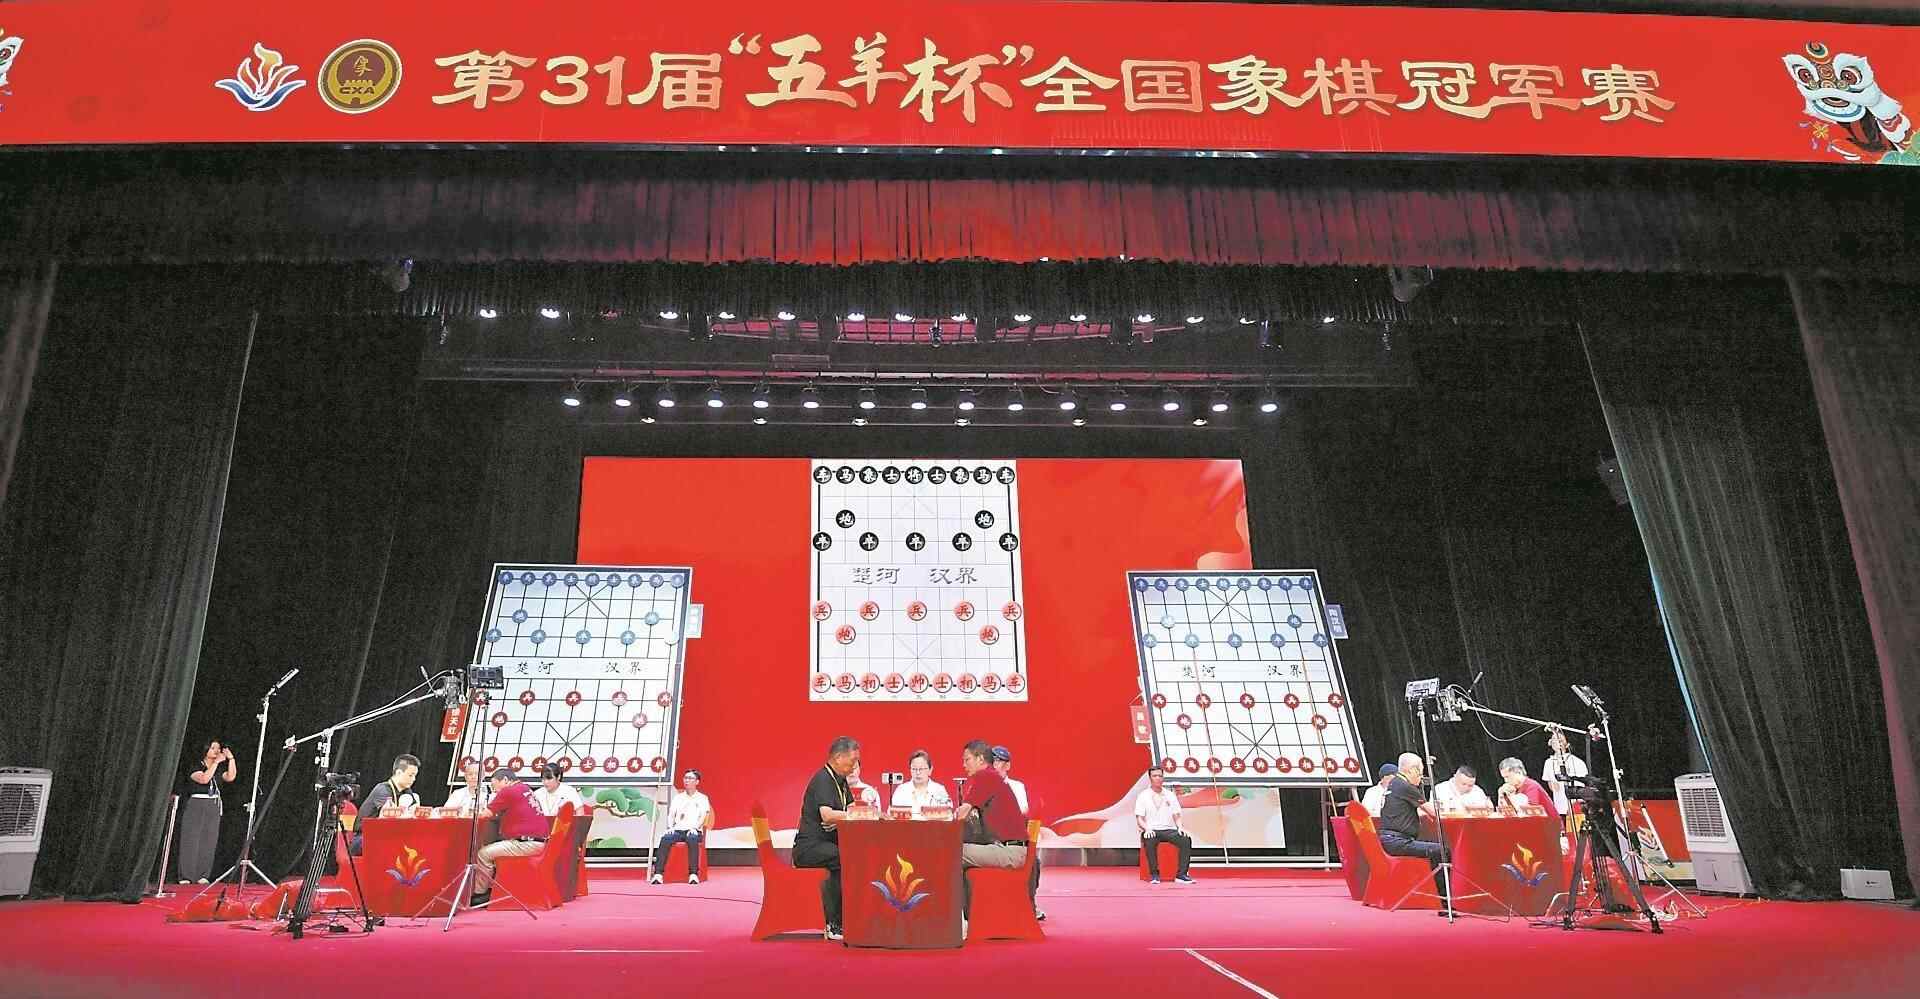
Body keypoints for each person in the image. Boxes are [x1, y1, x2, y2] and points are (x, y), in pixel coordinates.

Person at [793, 736, 860, 942]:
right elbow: (827, 815)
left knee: (853, 854)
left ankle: (851, 917)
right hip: (809, 848)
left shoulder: (841, 781)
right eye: (853, 760)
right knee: (843, 857)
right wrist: (843, 817)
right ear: (838, 757)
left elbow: (852, 808)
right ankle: (834, 923)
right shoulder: (823, 779)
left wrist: (846, 816)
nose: (855, 765)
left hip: (827, 843)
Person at [955, 740, 1029, 917]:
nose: (964, 765)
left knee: (953, 853)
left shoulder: (986, 777)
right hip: (1008, 847)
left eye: (967, 760)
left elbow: (962, 814)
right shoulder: (991, 777)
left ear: (980, 759)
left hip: (1010, 851)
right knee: (958, 849)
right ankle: (965, 914)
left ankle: (955, 918)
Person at [471, 768, 551, 906]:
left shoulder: (508, 791)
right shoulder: (524, 788)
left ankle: (481, 894)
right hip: (538, 842)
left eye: (495, 787)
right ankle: (491, 887)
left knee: (483, 853)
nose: (495, 791)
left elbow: (485, 814)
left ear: (505, 780)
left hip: (526, 844)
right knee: (494, 846)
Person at [1377, 753, 1447, 897]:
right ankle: (1444, 899)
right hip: (1398, 842)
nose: (1420, 778)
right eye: (1420, 773)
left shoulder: (1394, 783)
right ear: (1412, 770)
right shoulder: (1405, 786)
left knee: (1433, 846)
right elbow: (1434, 813)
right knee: (1442, 851)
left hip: (1389, 839)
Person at [991, 745, 1044, 921]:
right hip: (989, 838)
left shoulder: (1017, 786)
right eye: (992, 761)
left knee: (1033, 862)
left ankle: (1029, 905)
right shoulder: (981, 785)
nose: (994, 765)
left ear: (1007, 765)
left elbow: (1022, 812)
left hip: (1012, 838)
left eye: (998, 761)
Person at [176, 740, 237, 884]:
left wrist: (231, 759)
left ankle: (203, 874)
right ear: (205, 749)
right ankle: (186, 875)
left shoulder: (218, 768)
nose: (216, 750)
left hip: (213, 804)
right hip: (197, 803)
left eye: (218, 748)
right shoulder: (196, 766)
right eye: (213, 748)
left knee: (209, 840)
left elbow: (230, 777)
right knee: (191, 839)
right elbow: (204, 779)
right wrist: (215, 763)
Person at [650, 769, 713, 885]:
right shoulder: (678, 797)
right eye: (685, 778)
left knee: (692, 838)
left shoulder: (702, 798)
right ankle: (658, 874)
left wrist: (695, 828)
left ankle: (693, 874)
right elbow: (671, 815)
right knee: (665, 839)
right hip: (678, 830)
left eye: (690, 778)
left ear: (697, 782)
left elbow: (703, 816)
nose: (687, 781)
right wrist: (670, 828)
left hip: (694, 830)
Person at [1134, 768, 1194, 884]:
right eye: (1155, 776)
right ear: (1150, 778)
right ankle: (1154, 874)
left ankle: (1181, 874)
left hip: (1168, 830)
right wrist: (1147, 828)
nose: (1158, 778)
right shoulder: (1143, 795)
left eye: (1160, 776)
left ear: (1163, 778)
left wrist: (1180, 827)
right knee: (1149, 839)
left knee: (1185, 839)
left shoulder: (1170, 795)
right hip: (1151, 829)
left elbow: (1177, 815)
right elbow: (1139, 818)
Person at [353, 754, 421, 854]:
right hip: (363, 838)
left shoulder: (407, 791)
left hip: (385, 836)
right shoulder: (383, 789)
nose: (414, 779)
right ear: (398, 773)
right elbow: (388, 819)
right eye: (410, 775)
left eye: (415, 776)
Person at [1542, 728, 1590, 818]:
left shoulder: (1577, 762)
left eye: (1560, 740)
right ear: (1550, 743)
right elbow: (1549, 782)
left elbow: (1584, 784)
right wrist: (1553, 785)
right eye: (1555, 739)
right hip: (1559, 808)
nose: (1558, 742)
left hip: (1577, 808)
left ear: (1567, 744)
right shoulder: (1548, 762)